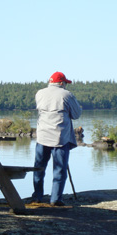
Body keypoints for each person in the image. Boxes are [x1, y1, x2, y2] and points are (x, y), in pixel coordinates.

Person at [32, 71, 82, 206]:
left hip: (42, 136)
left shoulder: (39, 93)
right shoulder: (66, 94)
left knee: (39, 168)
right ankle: (55, 199)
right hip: (60, 138)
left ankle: (37, 196)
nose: (66, 85)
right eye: (65, 83)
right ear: (61, 83)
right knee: (59, 169)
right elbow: (76, 114)